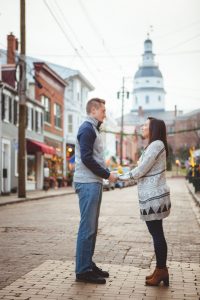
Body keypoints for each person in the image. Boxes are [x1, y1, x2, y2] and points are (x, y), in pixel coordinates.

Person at [118, 117, 171, 286]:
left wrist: (119, 177)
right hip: (151, 197)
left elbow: (141, 170)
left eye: (146, 125)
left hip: (154, 198)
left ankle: (161, 270)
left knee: (157, 235)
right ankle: (160, 269)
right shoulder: (154, 145)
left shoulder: (156, 145)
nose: (142, 127)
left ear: (153, 128)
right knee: (156, 234)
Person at [73, 98, 116, 284]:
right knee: (87, 228)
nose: (105, 114)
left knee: (92, 228)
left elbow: (93, 158)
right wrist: (107, 174)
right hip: (88, 183)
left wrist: (105, 174)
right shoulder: (87, 129)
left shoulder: (93, 129)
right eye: (103, 111)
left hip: (93, 183)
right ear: (93, 110)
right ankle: (83, 271)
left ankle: (87, 264)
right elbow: (86, 159)